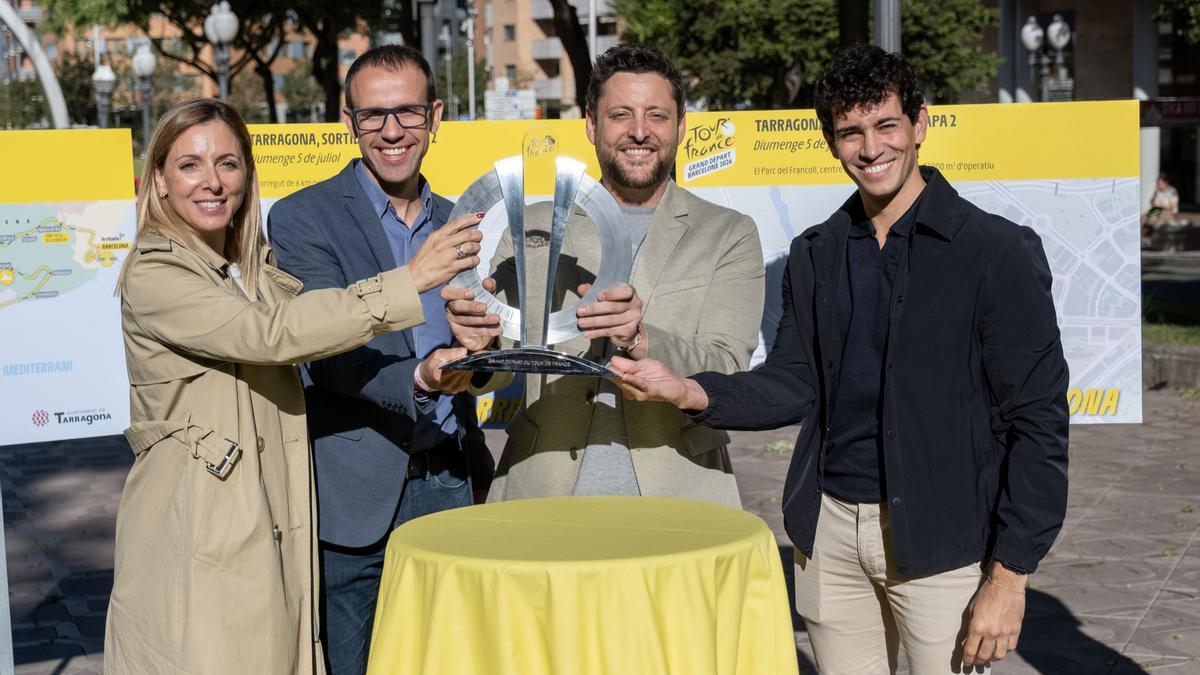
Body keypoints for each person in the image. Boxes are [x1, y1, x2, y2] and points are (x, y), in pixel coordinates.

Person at [611, 45, 1069, 674]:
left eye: (885, 125)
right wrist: (690, 391)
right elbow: (795, 381)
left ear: (919, 124)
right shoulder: (817, 252)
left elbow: (1038, 421)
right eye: (849, 131)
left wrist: (1011, 574)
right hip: (829, 535)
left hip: (945, 543)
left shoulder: (994, 252)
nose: (870, 147)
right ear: (831, 141)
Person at [104, 99, 481, 674]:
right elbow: (272, 334)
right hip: (200, 528)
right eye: (190, 165)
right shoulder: (156, 271)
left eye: (228, 164)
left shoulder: (247, 265)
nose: (212, 182)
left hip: (269, 515)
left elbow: (321, 323)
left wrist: (451, 344)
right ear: (158, 177)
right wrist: (409, 281)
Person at [443, 44, 764, 506]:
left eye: (656, 115)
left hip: (680, 495)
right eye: (620, 115)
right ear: (591, 125)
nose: (639, 132)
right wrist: (481, 345)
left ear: (681, 127)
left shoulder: (727, 233)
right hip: (545, 493)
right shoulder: (535, 226)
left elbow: (728, 366)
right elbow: (502, 362)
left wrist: (641, 340)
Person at [267, 45, 493, 675]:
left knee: (450, 660)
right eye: (373, 116)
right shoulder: (301, 218)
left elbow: (489, 358)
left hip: (448, 480)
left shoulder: (467, 225)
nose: (392, 132)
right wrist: (423, 376)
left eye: (409, 113)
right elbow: (324, 350)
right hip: (353, 494)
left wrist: (485, 353)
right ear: (348, 121)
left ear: (436, 116)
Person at [1142, 173, 1180, 243]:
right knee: (1144, 218)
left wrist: (1159, 205)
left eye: (1160, 183)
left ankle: (1148, 239)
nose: (1158, 185)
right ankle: (1145, 238)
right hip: (1157, 209)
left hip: (1168, 211)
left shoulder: (1172, 191)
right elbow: (1153, 202)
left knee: (1152, 219)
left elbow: (1172, 206)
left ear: (1165, 183)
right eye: (1157, 183)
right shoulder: (1158, 191)